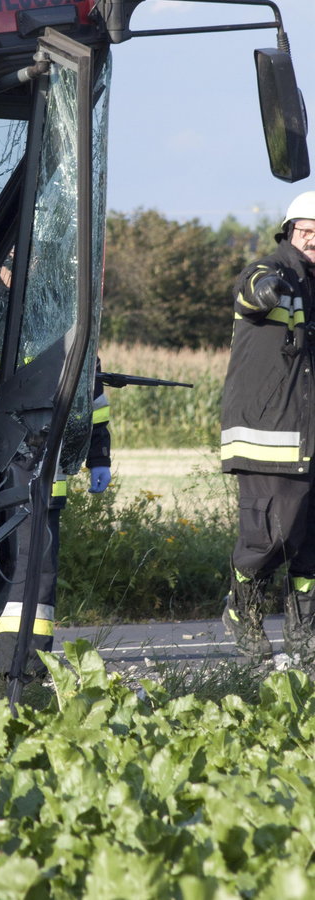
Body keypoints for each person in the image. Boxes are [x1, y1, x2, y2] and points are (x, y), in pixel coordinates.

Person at [0, 360, 112, 676]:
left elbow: (90, 402)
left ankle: (17, 669)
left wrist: (98, 455)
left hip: (35, 472)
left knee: (27, 574)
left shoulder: (66, 326)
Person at [221, 191, 315, 661]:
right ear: (289, 232)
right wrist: (266, 291)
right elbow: (251, 289)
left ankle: (304, 636)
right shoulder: (272, 272)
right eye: (306, 231)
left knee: (308, 546)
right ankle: (242, 610)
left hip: (309, 438)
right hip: (268, 435)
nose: (313, 240)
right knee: (270, 537)